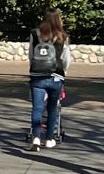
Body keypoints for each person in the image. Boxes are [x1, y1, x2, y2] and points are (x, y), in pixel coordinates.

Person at [27, 9, 71, 151]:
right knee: (52, 108)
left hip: (37, 76)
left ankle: (36, 137)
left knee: (37, 108)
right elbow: (66, 59)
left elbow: (31, 55)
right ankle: (50, 138)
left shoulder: (35, 34)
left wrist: (34, 68)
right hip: (56, 76)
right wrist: (63, 71)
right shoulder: (63, 36)